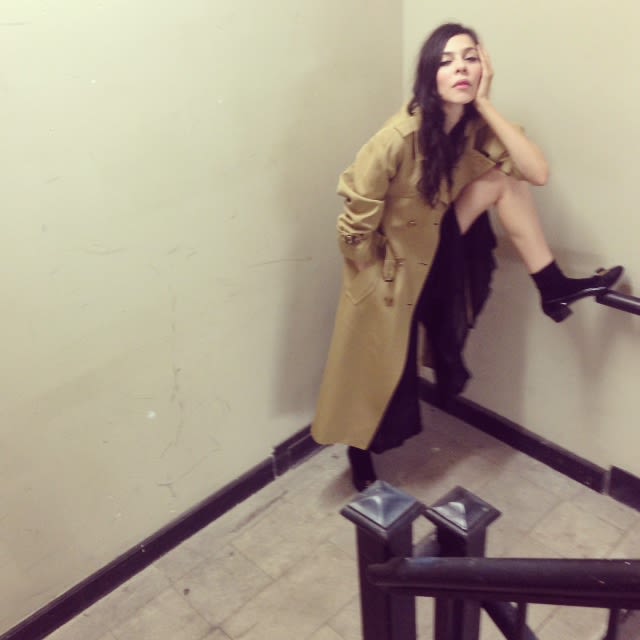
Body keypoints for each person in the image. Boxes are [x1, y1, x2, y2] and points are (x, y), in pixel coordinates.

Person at [311, 22, 623, 491]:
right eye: (446, 61)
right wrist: (368, 268)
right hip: (391, 265)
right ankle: (359, 451)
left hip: (440, 243)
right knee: (376, 368)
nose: (460, 68)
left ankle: (553, 285)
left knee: (506, 180)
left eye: (471, 58)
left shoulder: (476, 126)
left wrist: (486, 104)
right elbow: (357, 206)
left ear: (484, 70)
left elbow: (536, 171)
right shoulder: (399, 135)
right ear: (428, 74)